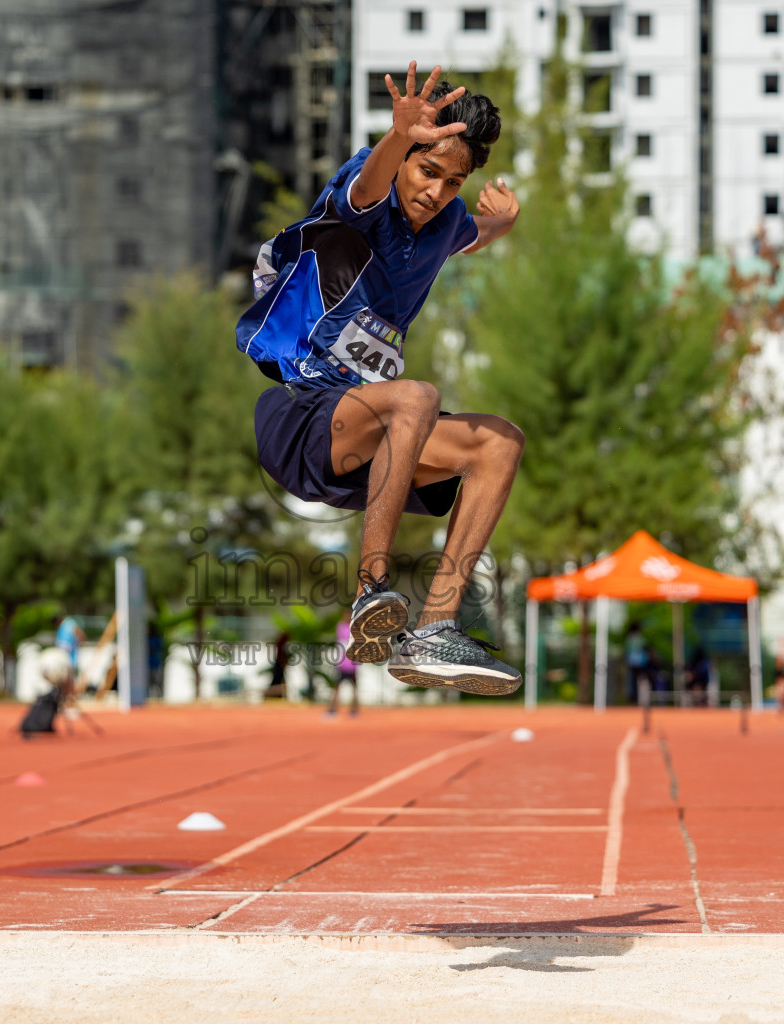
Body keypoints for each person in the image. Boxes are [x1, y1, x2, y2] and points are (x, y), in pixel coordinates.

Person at [238, 62, 524, 696]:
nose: (435, 192)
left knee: (499, 442)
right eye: (426, 171)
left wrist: (501, 221)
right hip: (302, 415)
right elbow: (367, 185)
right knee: (416, 396)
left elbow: (467, 234)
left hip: (369, 449)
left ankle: (435, 629)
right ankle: (371, 589)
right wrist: (398, 138)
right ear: (403, 161)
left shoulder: (444, 221)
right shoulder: (365, 200)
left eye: (453, 181)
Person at [328, 619, 361, 717]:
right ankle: (333, 709)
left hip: (352, 666)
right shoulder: (341, 627)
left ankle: (354, 710)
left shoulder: (355, 628)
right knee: (337, 687)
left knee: (354, 688)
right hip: (342, 665)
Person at [624, 622, 648, 703]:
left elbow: (628, 651)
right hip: (639, 662)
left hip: (633, 661)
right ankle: (639, 698)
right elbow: (643, 649)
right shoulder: (639, 638)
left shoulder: (629, 638)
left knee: (633, 681)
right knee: (639, 680)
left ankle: (634, 697)